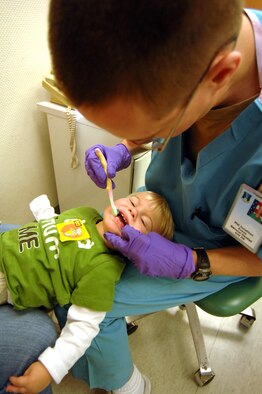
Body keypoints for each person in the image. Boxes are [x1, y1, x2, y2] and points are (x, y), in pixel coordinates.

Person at [47, 1, 262, 393]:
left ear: (222, 75)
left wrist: (190, 261)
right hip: (162, 201)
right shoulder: (190, 60)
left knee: (92, 300)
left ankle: (129, 385)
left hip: (217, 249)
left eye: (157, 129)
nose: (150, 139)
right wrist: (125, 148)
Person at [0, 191, 174, 394]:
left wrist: (50, 367)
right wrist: (45, 213)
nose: (133, 211)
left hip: (7, 279)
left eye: (143, 221)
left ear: (141, 249)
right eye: (133, 201)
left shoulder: (104, 270)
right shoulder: (88, 214)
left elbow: (83, 328)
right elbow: (58, 231)